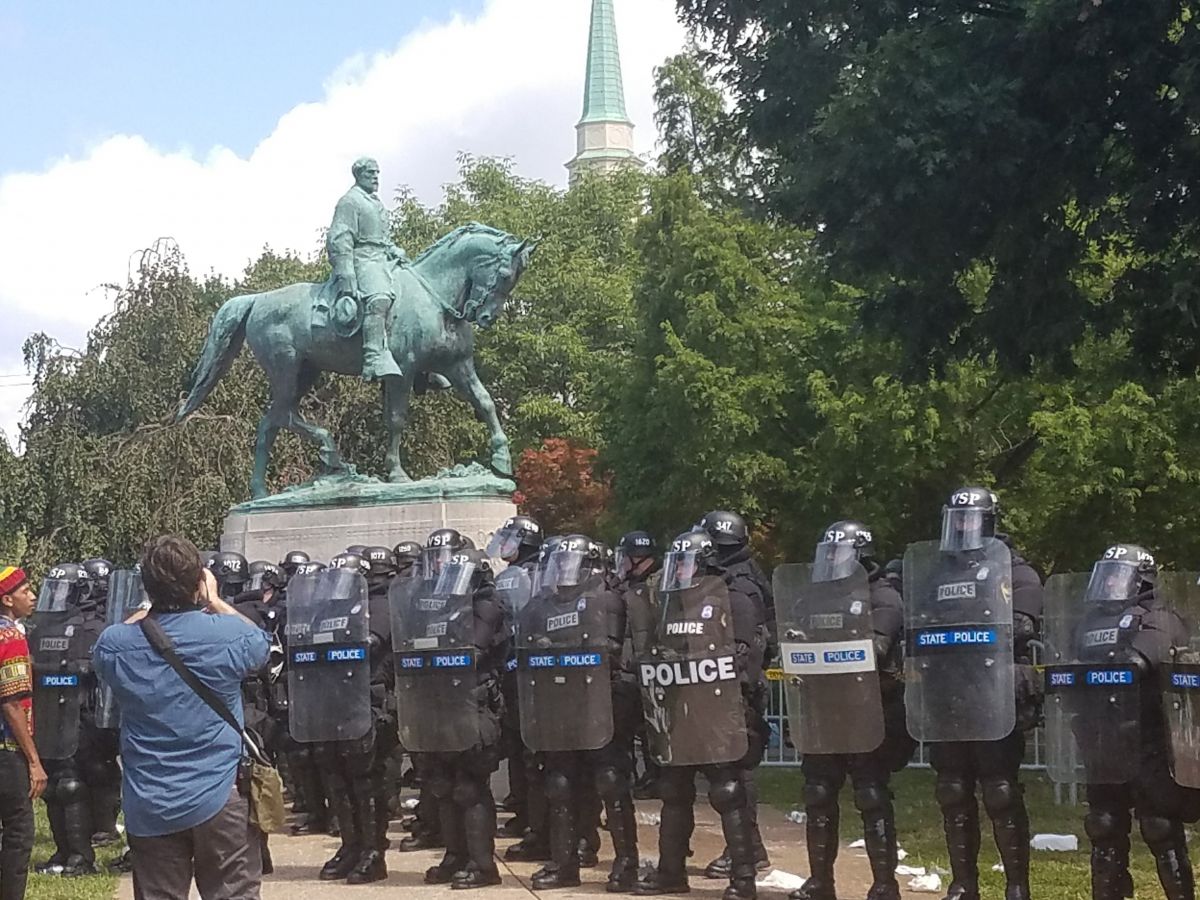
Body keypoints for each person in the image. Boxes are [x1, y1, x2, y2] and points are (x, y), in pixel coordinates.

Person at [93, 535, 270, 900]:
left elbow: (116, 640)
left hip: (150, 800)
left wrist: (151, 604)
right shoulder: (229, 636)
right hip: (219, 795)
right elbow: (260, 644)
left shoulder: (115, 644)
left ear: (147, 586)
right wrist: (215, 601)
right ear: (199, 582)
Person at [907, 488, 1041, 900]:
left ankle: (1016, 886)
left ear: (988, 522)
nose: (963, 528)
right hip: (947, 694)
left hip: (994, 695)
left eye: (970, 520)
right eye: (957, 520)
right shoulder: (937, 574)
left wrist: (963, 625)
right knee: (952, 791)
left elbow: (1022, 624)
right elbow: (916, 619)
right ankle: (964, 884)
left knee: (1000, 792)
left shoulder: (1016, 571)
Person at [1052, 545, 1198, 900]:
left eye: (1119, 574)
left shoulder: (1158, 616)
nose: (1111, 582)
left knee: (1160, 827)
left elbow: (1137, 662)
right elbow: (1071, 665)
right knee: (1103, 826)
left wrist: (1110, 664)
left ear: (1141, 579)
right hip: (1101, 738)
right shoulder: (1089, 622)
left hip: (1149, 740)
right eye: (1108, 574)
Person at [634, 530, 767, 900]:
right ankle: (670, 873)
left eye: (687, 563)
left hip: (720, 713)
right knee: (673, 791)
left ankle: (743, 880)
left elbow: (744, 658)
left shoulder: (734, 599)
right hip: (679, 712)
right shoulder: (668, 604)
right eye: (676, 564)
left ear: (706, 563)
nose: (680, 572)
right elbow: (653, 651)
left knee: (726, 792)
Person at [784, 522, 913, 900]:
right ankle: (820, 882)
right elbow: (792, 642)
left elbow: (875, 651)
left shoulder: (883, 596)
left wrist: (824, 647)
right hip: (823, 711)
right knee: (818, 793)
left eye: (840, 554)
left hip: (868, 711)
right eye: (828, 554)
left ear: (861, 557)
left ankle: (885, 885)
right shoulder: (812, 597)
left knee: (871, 796)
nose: (832, 562)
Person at [517, 535, 639, 892]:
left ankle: (626, 864)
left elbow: (614, 649)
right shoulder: (541, 605)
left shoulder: (607, 599)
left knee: (611, 783)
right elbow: (526, 647)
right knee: (559, 784)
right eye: (559, 565)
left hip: (601, 705)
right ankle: (564, 863)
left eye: (571, 565)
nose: (564, 573)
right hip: (559, 704)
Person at [393, 534, 507, 889]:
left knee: (468, 787)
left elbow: (470, 651)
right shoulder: (429, 603)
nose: (439, 567)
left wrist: (429, 645)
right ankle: (454, 855)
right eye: (435, 560)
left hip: (471, 704)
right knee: (441, 784)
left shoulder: (486, 602)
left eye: (447, 561)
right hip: (434, 702)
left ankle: (483, 864)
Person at [697, 510, 772, 878]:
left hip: (738, 688)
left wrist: (737, 683)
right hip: (726, 685)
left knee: (737, 774)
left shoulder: (740, 585)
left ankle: (747, 849)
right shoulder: (736, 576)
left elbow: (750, 643)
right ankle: (747, 846)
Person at [32, 563, 102, 877]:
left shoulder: (92, 627)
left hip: (80, 716)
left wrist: (56, 679)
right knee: (51, 787)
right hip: (48, 715)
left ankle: (81, 857)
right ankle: (61, 851)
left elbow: (87, 675)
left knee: (72, 786)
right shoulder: (41, 627)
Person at [487, 515, 543, 838]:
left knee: (530, 753)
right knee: (518, 749)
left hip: (531, 672)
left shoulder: (536, 575)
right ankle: (522, 812)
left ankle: (533, 819)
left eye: (510, 539)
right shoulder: (511, 575)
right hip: (511, 670)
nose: (505, 545)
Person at [327, 156, 408, 381]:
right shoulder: (350, 202)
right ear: (358, 175)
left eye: (377, 173)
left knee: (415, 295)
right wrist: (346, 273)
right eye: (370, 173)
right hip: (363, 260)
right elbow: (339, 238)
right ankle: (373, 356)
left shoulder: (376, 203)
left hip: (383, 259)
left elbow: (383, 238)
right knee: (379, 298)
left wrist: (394, 249)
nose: (375, 177)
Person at [0, 565, 45, 900]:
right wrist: (33, 760)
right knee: (18, 833)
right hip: (7, 750)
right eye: (25, 591)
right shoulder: (11, 638)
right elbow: (12, 703)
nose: (32, 596)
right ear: (7, 599)